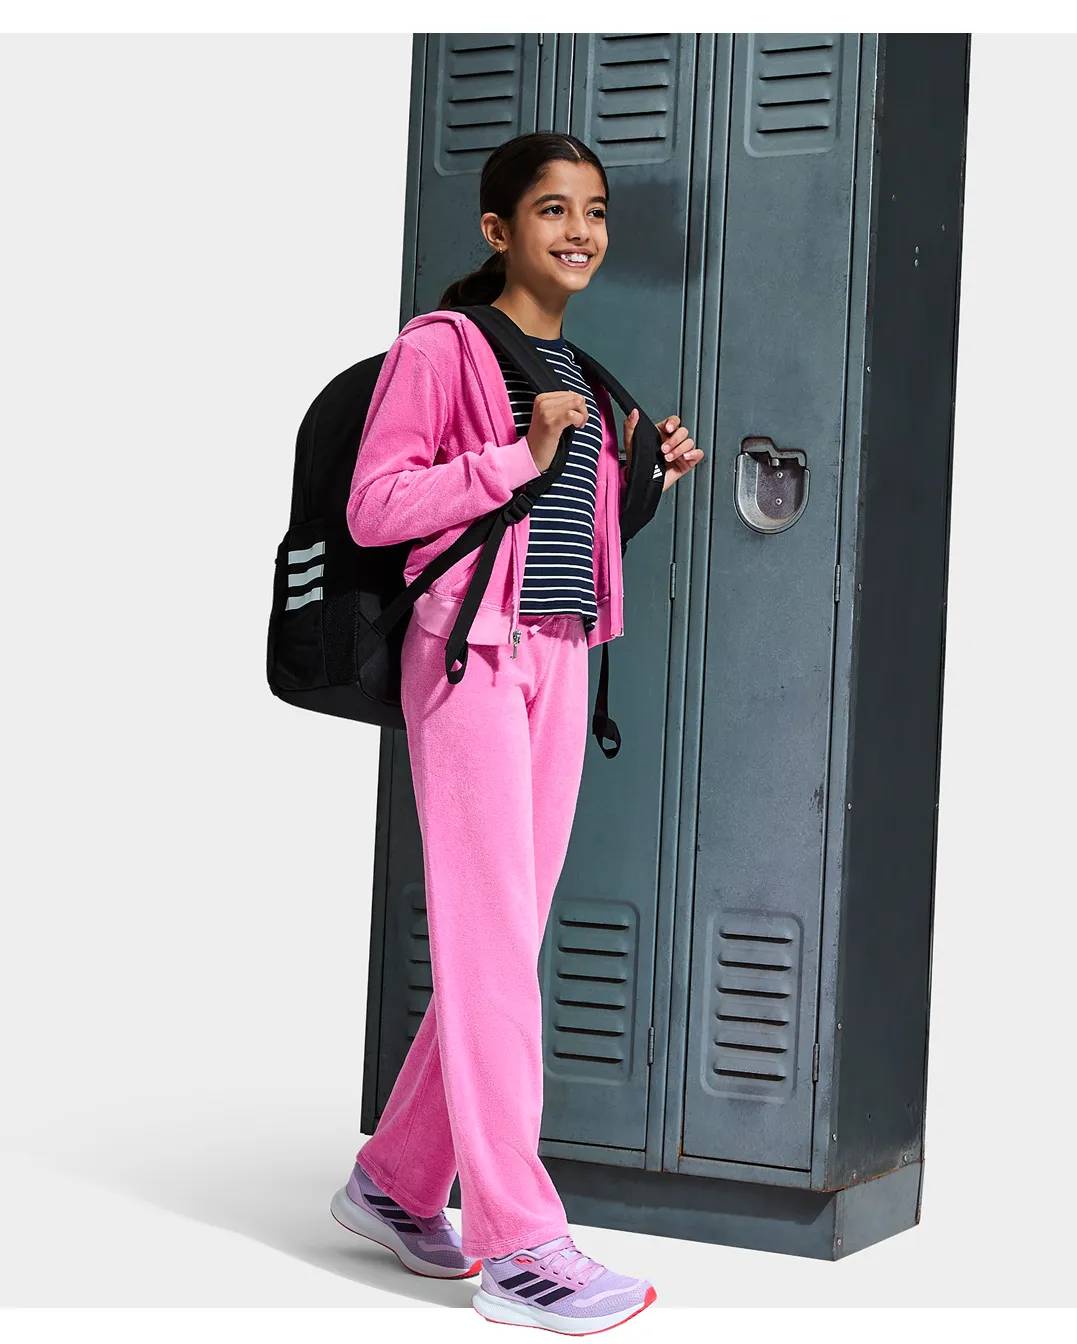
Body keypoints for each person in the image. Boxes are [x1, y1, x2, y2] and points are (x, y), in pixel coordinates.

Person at [332, 132, 702, 1334]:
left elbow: (558, 530)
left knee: (508, 940)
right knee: (492, 943)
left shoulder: (586, 372)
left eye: (593, 211)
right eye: (552, 210)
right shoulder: (442, 348)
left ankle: (394, 1180)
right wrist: (514, 453)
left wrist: (641, 480)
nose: (580, 232)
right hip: (471, 662)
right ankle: (521, 1245)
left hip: (557, 656)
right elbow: (380, 505)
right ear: (498, 230)